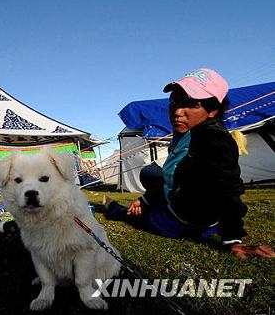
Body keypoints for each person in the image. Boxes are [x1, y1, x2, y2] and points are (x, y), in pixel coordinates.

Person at [104, 68, 275, 259]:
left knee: (136, 215)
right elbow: (177, 179)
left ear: (212, 110)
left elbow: (227, 188)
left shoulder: (212, 139)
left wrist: (232, 239)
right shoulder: (185, 133)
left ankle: (114, 209)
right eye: (174, 103)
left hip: (182, 221)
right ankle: (145, 203)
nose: (177, 112)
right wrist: (146, 199)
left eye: (191, 105)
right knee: (150, 173)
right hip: (186, 202)